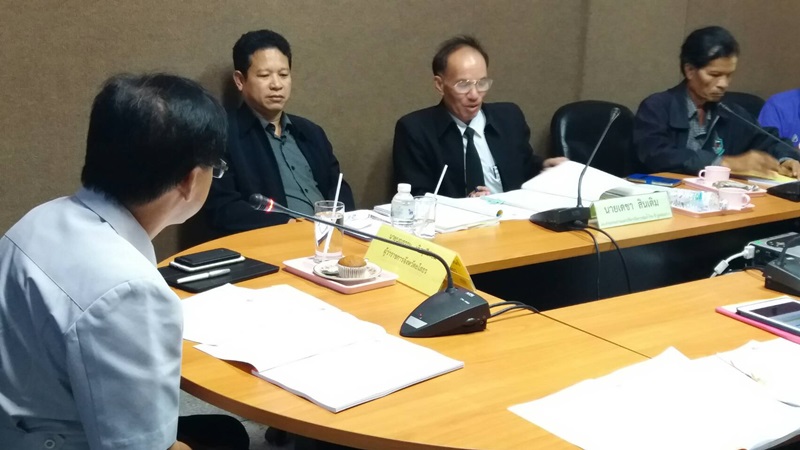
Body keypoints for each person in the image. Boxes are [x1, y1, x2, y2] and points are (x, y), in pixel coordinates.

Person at [0, 74, 248, 450]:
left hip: (22, 417)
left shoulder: (41, 218)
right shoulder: (129, 291)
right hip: (55, 438)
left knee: (226, 432)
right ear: (189, 180)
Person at [204, 29, 355, 236]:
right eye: (264, 75)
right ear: (240, 80)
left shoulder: (312, 132)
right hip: (274, 241)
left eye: (283, 75)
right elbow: (223, 209)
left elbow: (339, 188)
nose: (276, 85)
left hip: (331, 237)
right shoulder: (222, 134)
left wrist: (337, 217)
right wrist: (287, 224)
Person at [392, 35, 565, 198]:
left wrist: (544, 167)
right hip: (455, 219)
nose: (475, 95)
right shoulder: (416, 130)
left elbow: (523, 166)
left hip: (513, 216)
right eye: (463, 85)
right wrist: (465, 205)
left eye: (482, 83)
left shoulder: (508, 118)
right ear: (440, 84)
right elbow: (416, 196)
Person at [633, 26, 800, 177]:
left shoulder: (730, 111)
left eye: (729, 75)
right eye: (714, 75)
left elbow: (768, 140)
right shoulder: (657, 107)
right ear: (690, 70)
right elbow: (657, 154)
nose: (723, 84)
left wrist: (787, 158)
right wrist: (726, 163)